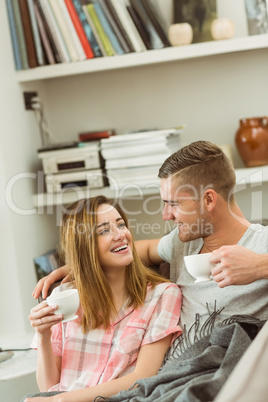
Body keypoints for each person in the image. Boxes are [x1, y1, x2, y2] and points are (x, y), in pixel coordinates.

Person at [33, 141, 268, 333]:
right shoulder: (181, 242)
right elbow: (141, 250)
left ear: (208, 199)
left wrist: (259, 266)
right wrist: (86, 262)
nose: (166, 215)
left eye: (174, 204)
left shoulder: (261, 244)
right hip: (171, 375)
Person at [24, 196, 182, 402]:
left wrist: (60, 400)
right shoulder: (64, 297)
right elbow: (48, 387)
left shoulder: (163, 295)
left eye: (121, 225)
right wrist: (43, 335)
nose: (121, 235)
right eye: (104, 230)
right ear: (84, 246)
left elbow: (142, 378)